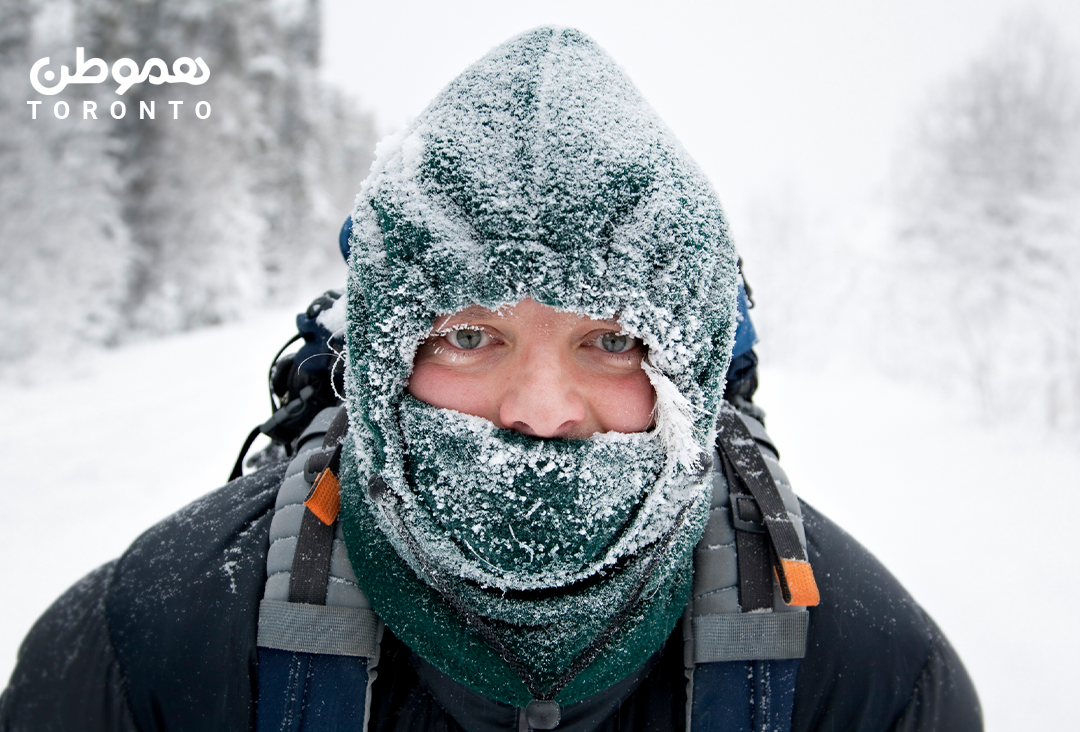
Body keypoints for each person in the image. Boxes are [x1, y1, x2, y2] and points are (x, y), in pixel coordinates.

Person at [0, 27, 981, 732]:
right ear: (382, 357)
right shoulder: (152, 642)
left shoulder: (873, 679)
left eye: (613, 343)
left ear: (689, 365)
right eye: (470, 336)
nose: (541, 412)